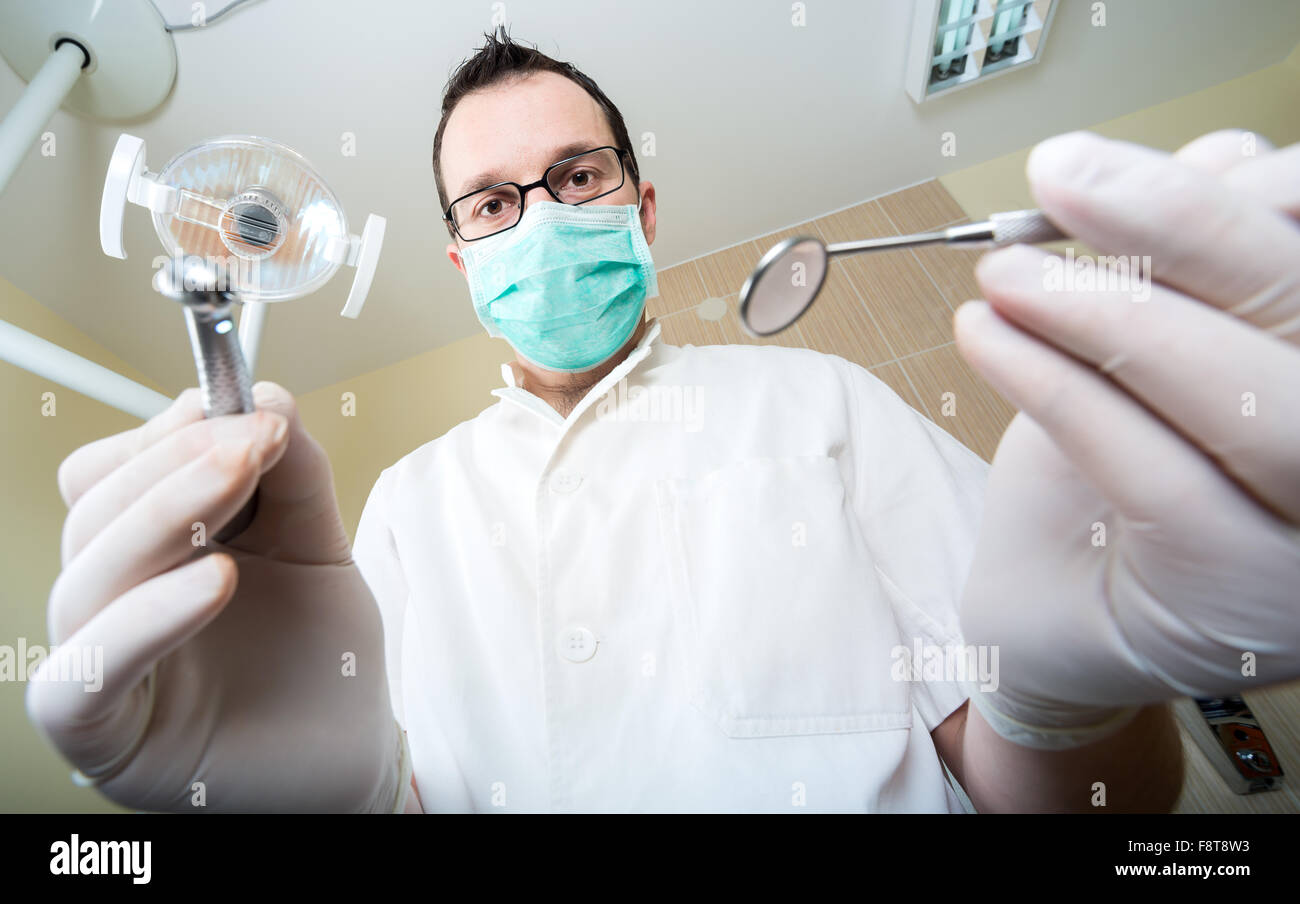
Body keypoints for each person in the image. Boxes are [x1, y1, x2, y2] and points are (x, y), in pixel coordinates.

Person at [27, 29, 1300, 813]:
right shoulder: (410, 505)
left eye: (573, 178)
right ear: (463, 260)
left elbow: (1067, 805)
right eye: (487, 203)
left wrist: (1063, 707)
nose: (534, 213)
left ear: (638, 210)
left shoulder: (824, 406)